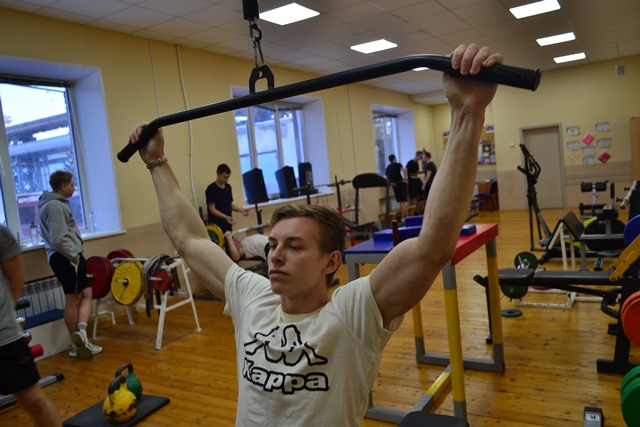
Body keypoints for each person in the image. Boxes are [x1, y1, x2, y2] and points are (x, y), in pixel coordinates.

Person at [128, 43, 502, 426]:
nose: (275, 256)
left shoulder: (352, 315)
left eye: (294, 246)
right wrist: (156, 160)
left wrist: (467, 111)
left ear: (331, 261)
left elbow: (432, 247)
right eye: (273, 245)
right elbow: (189, 240)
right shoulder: (253, 299)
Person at [0, 225, 62, 427]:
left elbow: (17, 279)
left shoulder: (1, 235)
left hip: (5, 338)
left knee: (34, 401)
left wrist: (5, 317)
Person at [38, 171, 102, 360]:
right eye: (72, 185)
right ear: (63, 186)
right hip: (66, 258)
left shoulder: (54, 204)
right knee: (73, 299)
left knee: (87, 293)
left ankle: (81, 336)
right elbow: (58, 238)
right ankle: (77, 345)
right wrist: (74, 257)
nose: (74, 188)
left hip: (69, 257)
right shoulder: (55, 206)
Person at [206, 164, 250, 234]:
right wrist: (226, 217)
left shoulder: (228, 187)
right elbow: (212, 209)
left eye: (228, 177)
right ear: (218, 174)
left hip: (227, 225)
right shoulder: (211, 189)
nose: (227, 179)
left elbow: (229, 204)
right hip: (216, 227)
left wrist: (240, 210)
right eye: (225, 177)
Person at [385, 154, 408, 220]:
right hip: (400, 184)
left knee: (400, 202)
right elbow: (404, 170)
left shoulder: (388, 167)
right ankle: (403, 218)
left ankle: (405, 216)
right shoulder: (398, 164)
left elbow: (387, 178)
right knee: (402, 202)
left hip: (394, 185)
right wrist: (405, 179)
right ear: (395, 158)